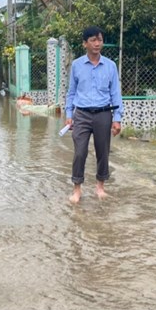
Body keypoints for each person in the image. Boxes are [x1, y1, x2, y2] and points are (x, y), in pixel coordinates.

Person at [65, 26, 123, 204]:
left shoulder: (111, 65)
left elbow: (115, 93)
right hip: (81, 114)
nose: (97, 43)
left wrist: (117, 118)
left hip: (103, 114)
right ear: (85, 43)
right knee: (80, 152)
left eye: (100, 40)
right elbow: (71, 92)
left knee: (102, 152)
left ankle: (100, 186)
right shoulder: (76, 65)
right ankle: (77, 189)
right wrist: (69, 114)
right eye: (93, 40)